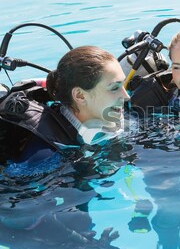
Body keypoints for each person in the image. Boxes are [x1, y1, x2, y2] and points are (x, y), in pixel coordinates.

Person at [0, 45, 129, 164]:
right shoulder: (45, 155)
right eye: (114, 88)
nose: (126, 96)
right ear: (80, 95)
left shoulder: (111, 118)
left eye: (122, 84)